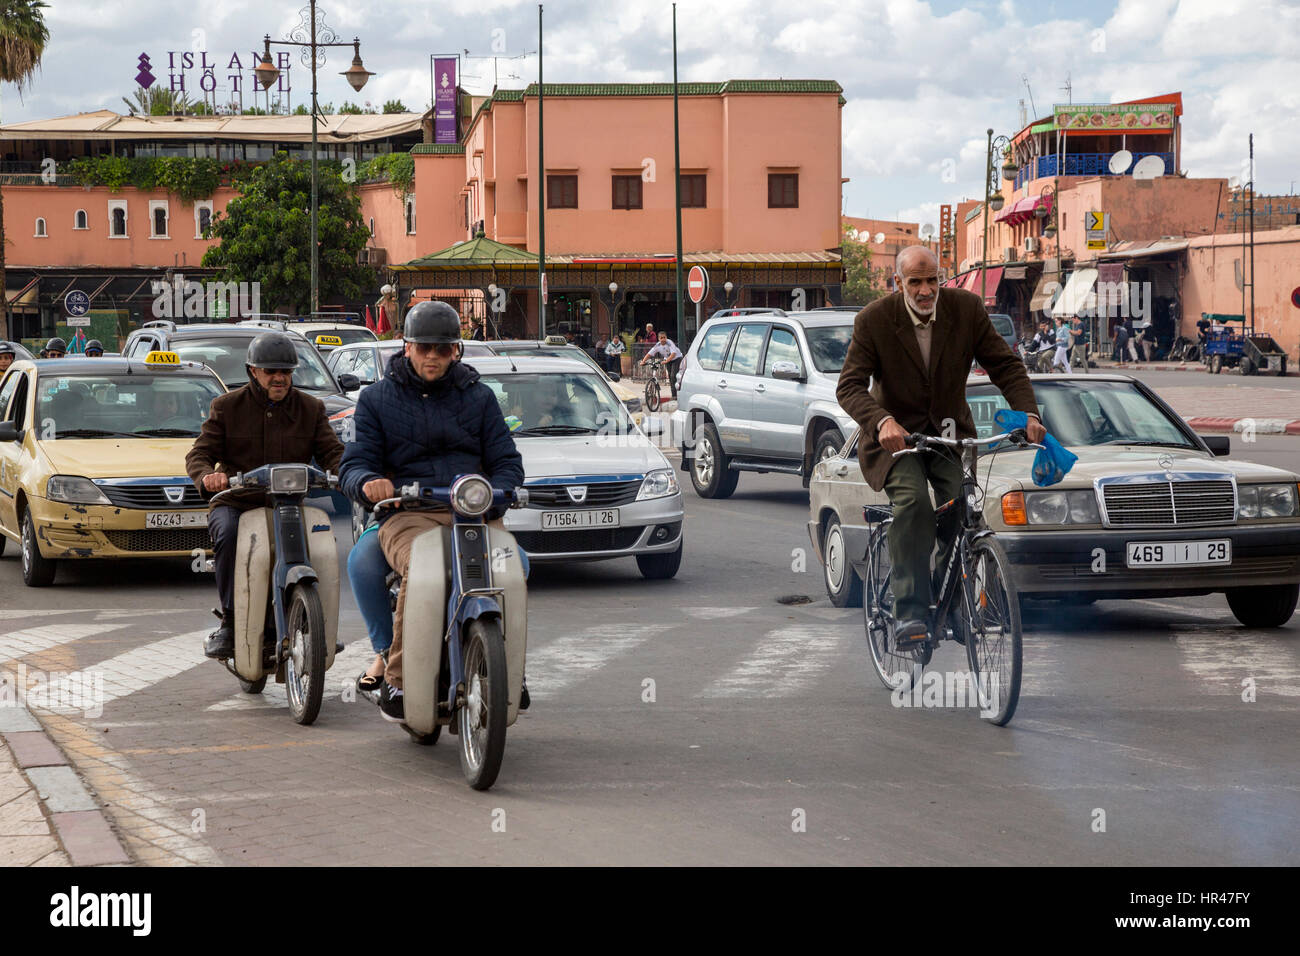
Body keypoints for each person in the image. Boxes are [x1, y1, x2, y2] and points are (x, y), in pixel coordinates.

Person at [836, 245, 1043, 644]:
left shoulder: (965, 310)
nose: (926, 289)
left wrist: (1028, 414)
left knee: (961, 509)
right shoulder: (874, 320)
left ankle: (952, 604)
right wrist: (882, 421)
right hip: (896, 441)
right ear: (899, 284)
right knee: (914, 504)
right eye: (916, 282)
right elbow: (849, 387)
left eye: (932, 280)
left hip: (949, 438)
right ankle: (910, 612)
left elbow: (1005, 365)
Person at [339, 301, 525, 722]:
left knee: (518, 566)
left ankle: (511, 671)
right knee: (410, 568)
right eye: (424, 347)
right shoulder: (375, 399)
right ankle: (397, 674)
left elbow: (507, 461)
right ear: (407, 347)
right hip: (409, 512)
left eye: (444, 349)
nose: (433, 357)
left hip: (471, 513)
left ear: (456, 351)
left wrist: (504, 489)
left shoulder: (479, 397)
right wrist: (369, 483)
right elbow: (353, 463)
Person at [185, 332, 345, 659]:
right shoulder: (227, 407)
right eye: (270, 371)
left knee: (322, 543)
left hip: (289, 503)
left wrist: (345, 471)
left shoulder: (311, 408)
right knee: (227, 534)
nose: (279, 378)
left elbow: (332, 451)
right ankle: (230, 621)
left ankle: (319, 625)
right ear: (253, 372)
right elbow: (198, 454)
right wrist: (209, 477)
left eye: (285, 372)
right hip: (237, 503)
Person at [640, 330, 684, 399]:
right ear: (658, 339)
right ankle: (674, 394)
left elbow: (673, 354)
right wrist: (643, 361)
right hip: (668, 360)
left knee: (673, 376)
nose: (663, 339)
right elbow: (649, 353)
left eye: (664, 337)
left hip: (677, 358)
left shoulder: (669, 343)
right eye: (661, 338)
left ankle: (675, 395)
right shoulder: (658, 345)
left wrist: (666, 361)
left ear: (666, 337)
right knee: (670, 376)